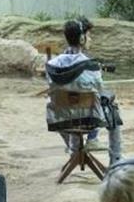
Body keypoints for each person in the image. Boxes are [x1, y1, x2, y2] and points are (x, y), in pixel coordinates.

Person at [46, 18, 122, 162]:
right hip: (88, 120)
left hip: (59, 118)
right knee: (112, 108)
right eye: (89, 35)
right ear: (82, 38)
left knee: (71, 102)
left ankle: (74, 151)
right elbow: (99, 91)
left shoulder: (52, 65)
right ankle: (115, 158)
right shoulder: (91, 66)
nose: (90, 38)